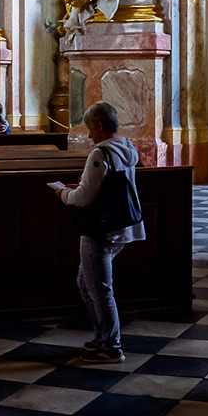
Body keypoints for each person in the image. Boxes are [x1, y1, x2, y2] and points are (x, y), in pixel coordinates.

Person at [50, 100, 145, 364]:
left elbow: (83, 198)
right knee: (85, 282)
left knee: (101, 289)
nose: (90, 135)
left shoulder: (100, 153)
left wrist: (63, 194)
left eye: (91, 128)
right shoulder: (126, 149)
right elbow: (104, 186)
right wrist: (82, 185)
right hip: (121, 226)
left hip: (99, 229)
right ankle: (103, 337)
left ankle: (111, 346)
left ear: (100, 125)